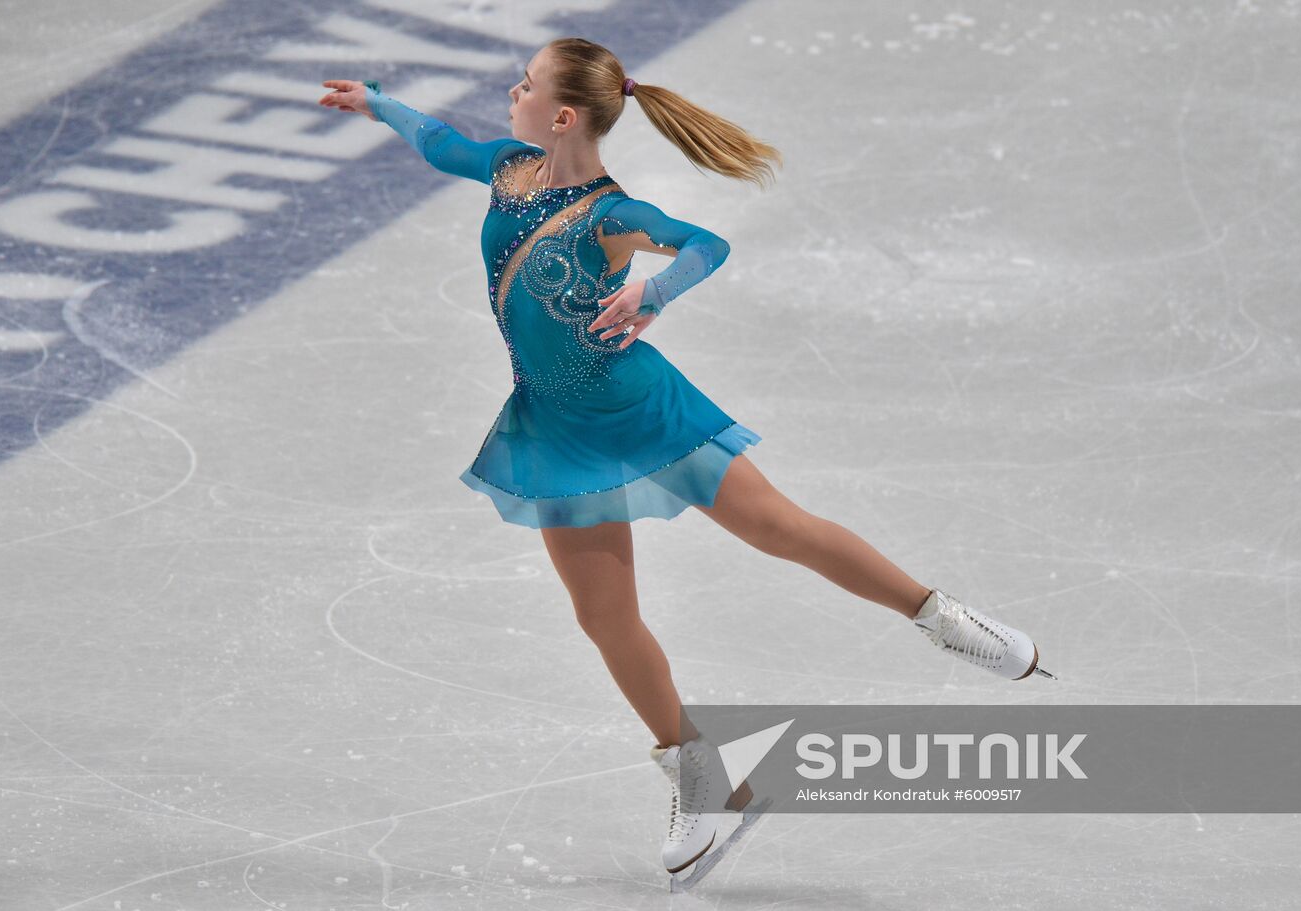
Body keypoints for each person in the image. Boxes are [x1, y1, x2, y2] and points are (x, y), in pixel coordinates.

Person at [319, 37, 1053, 881]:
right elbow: (439, 142)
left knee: (780, 527)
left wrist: (651, 290)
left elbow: (705, 243)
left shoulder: (610, 214)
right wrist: (376, 101)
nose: (510, 94)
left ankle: (939, 617)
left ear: (563, 115)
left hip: (639, 406)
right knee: (603, 617)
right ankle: (700, 771)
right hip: (554, 426)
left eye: (525, 86)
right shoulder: (510, 168)